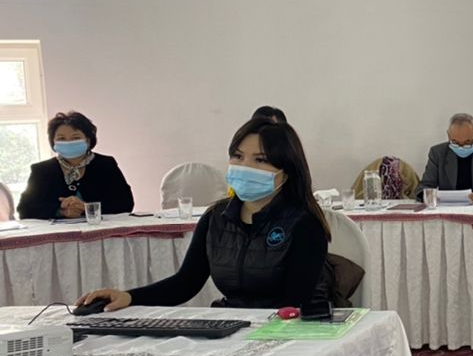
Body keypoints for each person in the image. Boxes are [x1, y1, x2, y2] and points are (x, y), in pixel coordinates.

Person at [77, 117, 332, 312]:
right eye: (238, 156)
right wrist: (129, 297)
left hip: (288, 329)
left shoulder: (304, 222)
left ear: (286, 171)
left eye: (260, 160)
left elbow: (295, 301)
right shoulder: (216, 217)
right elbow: (186, 282)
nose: (244, 166)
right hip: (232, 324)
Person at [17, 111, 134, 220]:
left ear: (88, 140)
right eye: (61, 138)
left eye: (76, 137)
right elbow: (25, 210)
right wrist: (60, 211)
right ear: (53, 142)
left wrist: (87, 208)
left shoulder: (106, 164)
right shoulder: (42, 170)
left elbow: (125, 203)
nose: (68, 142)